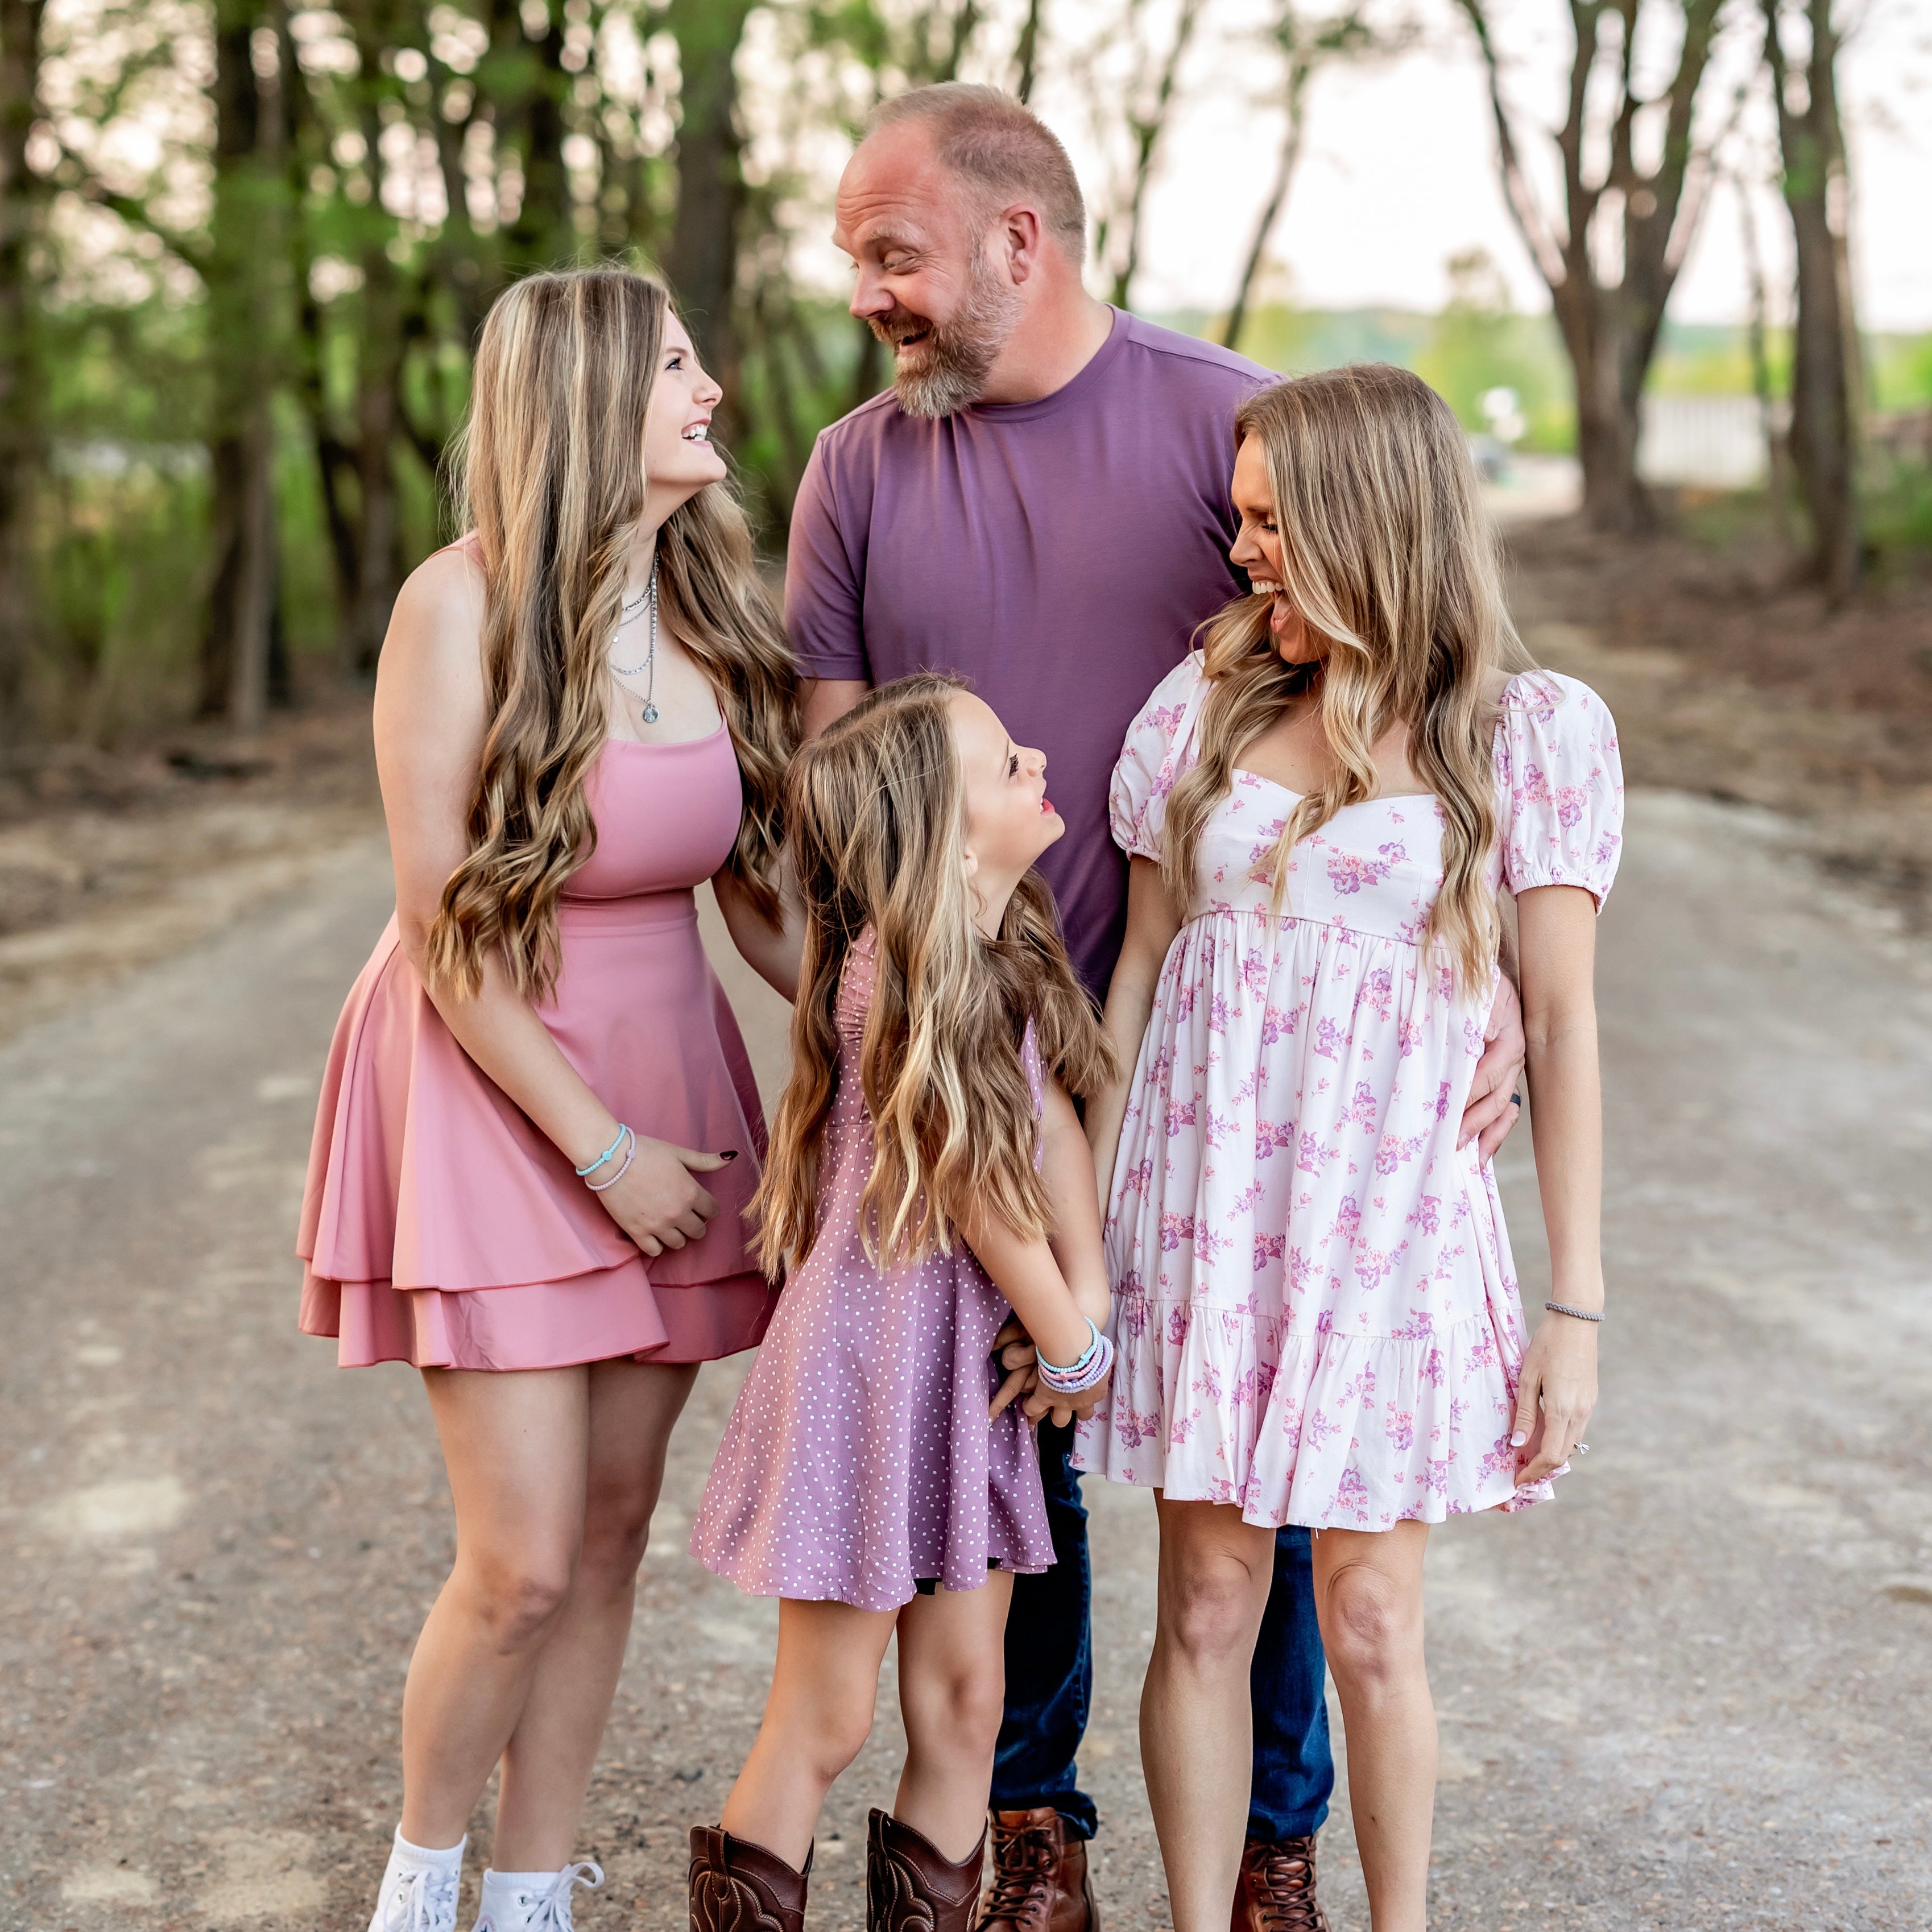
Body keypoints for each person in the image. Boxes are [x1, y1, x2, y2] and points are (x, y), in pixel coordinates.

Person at [785, 82, 1529, 1932]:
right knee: (1009, 1426)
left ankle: (1272, 1835)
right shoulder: (854, 466)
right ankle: (1028, 1819)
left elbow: (1422, 669)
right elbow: (825, 763)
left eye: (893, 251)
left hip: (1221, 1059)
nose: (862, 291)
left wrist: (1495, 953)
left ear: (1015, 240)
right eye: (847, 257)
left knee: (1261, 1463)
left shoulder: (1226, 425)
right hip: (981, 1050)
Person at [1080, 366, 1620, 1932]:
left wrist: (1569, 1311)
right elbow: (1140, 967)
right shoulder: (1202, 702)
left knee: (1372, 1616)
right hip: (1205, 1214)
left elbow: (1563, 1024)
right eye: (1237, 516)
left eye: (1268, 521)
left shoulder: (1527, 734)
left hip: (1384, 1227)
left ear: (1363, 518)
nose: (1242, 551)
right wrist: (1081, 1239)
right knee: (1201, 1601)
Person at [296, 268, 800, 1932]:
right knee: (514, 1559)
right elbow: (442, 916)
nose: (708, 387)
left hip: (671, 1064)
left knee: (607, 1528)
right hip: (496, 1072)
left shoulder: (713, 609)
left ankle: (531, 1887)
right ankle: (419, 1878)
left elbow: (753, 902)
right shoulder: (461, 605)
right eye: (672, 364)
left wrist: (925, 1029)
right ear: (590, 399)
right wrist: (595, 1147)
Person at [686, 677, 1116, 1932]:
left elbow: (1056, 1139)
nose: (1034, 753)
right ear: (938, 826)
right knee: (828, 1715)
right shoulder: (900, 979)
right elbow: (983, 1189)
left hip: (960, 1383)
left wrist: (1083, 1297)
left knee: (968, 1698)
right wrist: (1071, 1342)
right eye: (1000, 760)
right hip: (870, 1372)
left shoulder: (1005, 946)